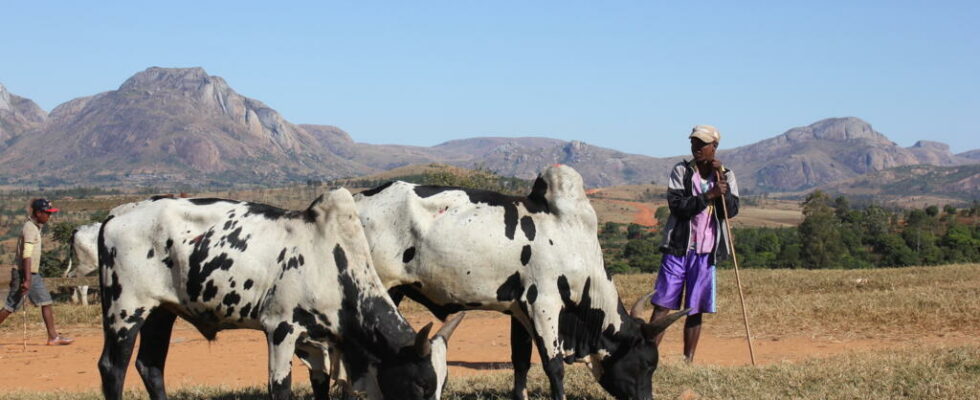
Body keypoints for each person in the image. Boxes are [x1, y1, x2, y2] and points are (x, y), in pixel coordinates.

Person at [649, 125, 738, 362]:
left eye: (702, 144)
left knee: (695, 307)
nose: (696, 148)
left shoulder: (726, 175)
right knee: (662, 304)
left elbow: (731, 211)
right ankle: (647, 357)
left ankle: (688, 360)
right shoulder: (682, 171)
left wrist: (723, 190)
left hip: (706, 251)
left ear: (714, 147)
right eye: (694, 143)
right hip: (678, 247)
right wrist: (708, 196)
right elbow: (677, 206)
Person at [0, 198, 74, 345]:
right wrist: (27, 279)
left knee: (42, 301)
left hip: (29, 273)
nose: (49, 216)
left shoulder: (34, 227)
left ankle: (53, 337)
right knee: (11, 306)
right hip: (26, 273)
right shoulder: (30, 228)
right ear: (38, 213)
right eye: (47, 213)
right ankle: (53, 337)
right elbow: (26, 255)